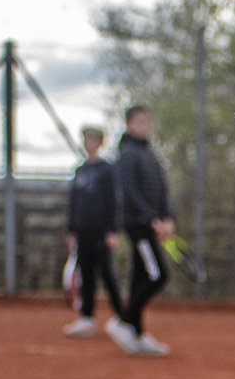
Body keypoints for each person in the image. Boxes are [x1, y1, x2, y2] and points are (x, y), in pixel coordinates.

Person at [107, 104, 174, 357]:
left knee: (139, 278)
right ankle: (124, 320)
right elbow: (130, 192)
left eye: (147, 121)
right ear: (129, 124)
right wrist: (150, 219)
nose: (145, 126)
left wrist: (167, 217)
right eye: (139, 122)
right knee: (157, 275)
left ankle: (136, 332)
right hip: (138, 226)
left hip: (152, 223)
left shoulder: (150, 154)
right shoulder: (127, 154)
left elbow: (161, 189)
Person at [62, 126, 124, 337]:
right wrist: (72, 230)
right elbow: (73, 202)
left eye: (94, 139)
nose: (90, 143)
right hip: (83, 233)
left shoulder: (107, 170)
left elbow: (114, 202)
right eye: (88, 139)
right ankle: (86, 318)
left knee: (107, 275)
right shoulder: (80, 171)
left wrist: (112, 230)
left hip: (101, 232)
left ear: (101, 142)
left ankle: (123, 318)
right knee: (85, 275)